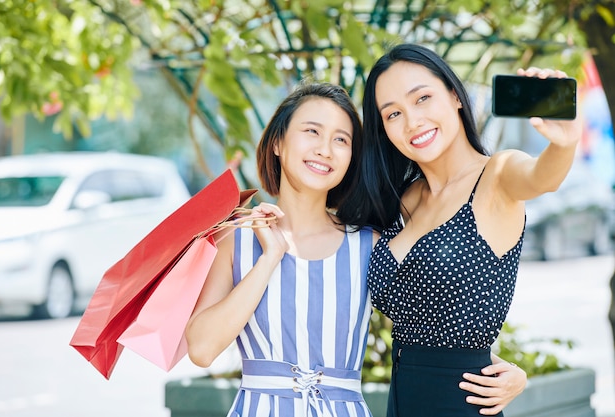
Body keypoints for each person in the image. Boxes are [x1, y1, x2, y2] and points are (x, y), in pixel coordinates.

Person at [185, 82, 528, 416]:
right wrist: (270, 257)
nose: (325, 149)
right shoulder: (236, 239)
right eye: (312, 132)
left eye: (341, 140)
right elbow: (201, 349)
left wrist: (508, 371)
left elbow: (432, 326)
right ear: (277, 141)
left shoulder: (367, 244)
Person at [339, 43, 581, 416]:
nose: (412, 122)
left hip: (462, 406)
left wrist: (563, 145)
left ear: (454, 95)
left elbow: (539, 178)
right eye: (393, 114)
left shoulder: (496, 176)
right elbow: (435, 320)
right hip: (402, 401)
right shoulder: (404, 198)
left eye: (422, 98)